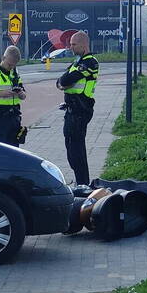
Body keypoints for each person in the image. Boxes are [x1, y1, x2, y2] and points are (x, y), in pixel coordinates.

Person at [57, 31, 99, 185]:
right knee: (71, 149)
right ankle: (80, 182)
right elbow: (60, 81)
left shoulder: (90, 62)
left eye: (74, 44)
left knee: (77, 151)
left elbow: (67, 79)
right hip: (71, 110)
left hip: (81, 109)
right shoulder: (77, 62)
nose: (71, 47)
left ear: (83, 44)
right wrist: (64, 81)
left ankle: (83, 184)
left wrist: (64, 81)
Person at [0, 45, 27, 146]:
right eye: (9, 64)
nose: (11, 67)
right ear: (3, 58)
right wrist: (1, 94)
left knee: (14, 150)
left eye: (13, 65)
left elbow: (24, 95)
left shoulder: (14, 74)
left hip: (14, 117)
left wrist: (20, 93)